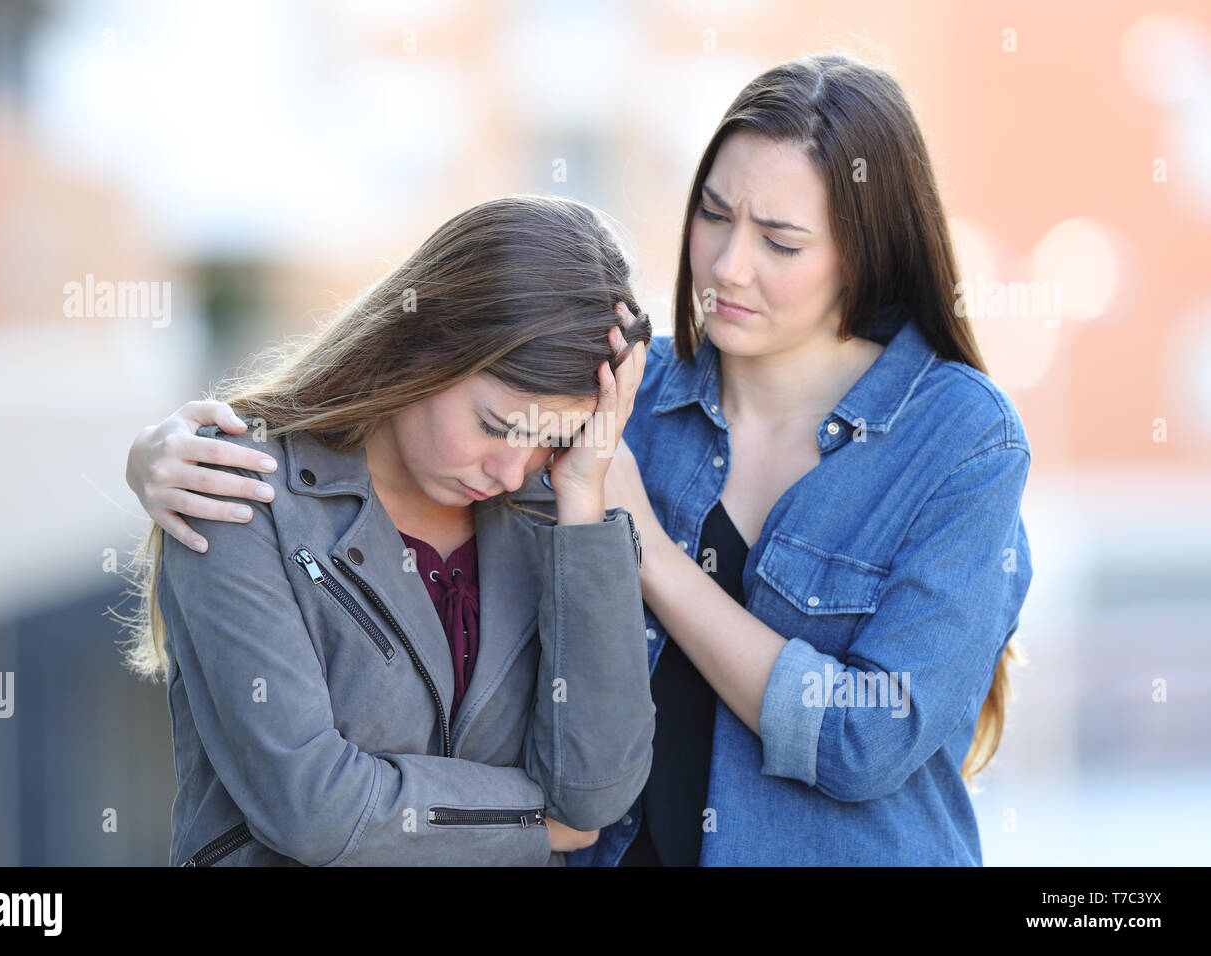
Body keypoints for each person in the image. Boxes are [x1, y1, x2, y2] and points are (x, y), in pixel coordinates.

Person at [127, 53, 1034, 866]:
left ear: (866, 256)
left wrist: (640, 544)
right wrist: (162, 454)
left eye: (781, 243)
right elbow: (417, 398)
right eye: (713, 214)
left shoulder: (958, 441)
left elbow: (865, 740)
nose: (727, 267)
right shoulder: (622, 396)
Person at [120, 194, 655, 866]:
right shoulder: (237, 487)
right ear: (421, 344)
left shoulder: (546, 513)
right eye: (497, 426)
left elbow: (593, 796)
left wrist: (581, 501)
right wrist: (531, 820)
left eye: (552, 440)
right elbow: (312, 808)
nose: (512, 470)